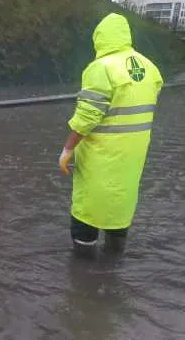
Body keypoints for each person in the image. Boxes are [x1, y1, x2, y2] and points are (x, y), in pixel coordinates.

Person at [58, 13, 163, 255]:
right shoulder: (149, 68)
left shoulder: (101, 68)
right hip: (133, 157)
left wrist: (67, 150)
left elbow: (87, 117)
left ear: (100, 38)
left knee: (88, 212)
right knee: (120, 208)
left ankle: (83, 276)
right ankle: (113, 271)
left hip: (101, 157)